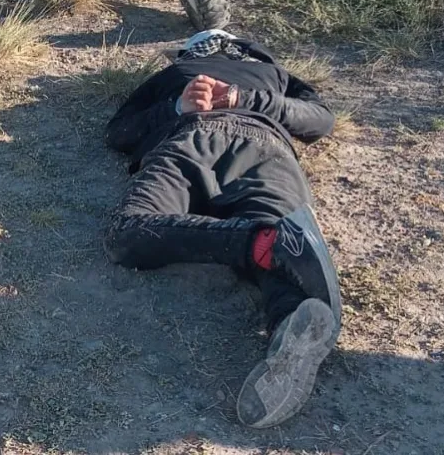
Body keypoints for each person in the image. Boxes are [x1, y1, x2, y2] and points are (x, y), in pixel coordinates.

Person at [103, 29, 342, 429]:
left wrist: (239, 98)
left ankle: (283, 297)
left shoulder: (263, 74)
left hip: (225, 142)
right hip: (223, 142)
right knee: (288, 249)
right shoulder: (188, 74)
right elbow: (117, 133)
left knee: (127, 232)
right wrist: (180, 105)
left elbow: (320, 120)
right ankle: (276, 273)